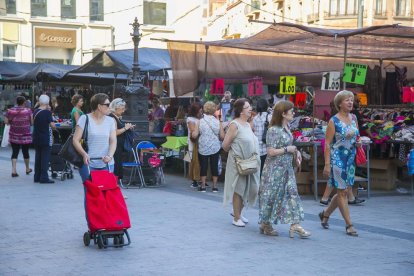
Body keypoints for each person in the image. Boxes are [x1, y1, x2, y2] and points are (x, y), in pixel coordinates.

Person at [258, 100, 310, 238]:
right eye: (291, 111)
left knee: (292, 194)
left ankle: (295, 225)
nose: (294, 113)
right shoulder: (273, 130)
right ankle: (265, 223)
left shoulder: (287, 127)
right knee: (271, 196)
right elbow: (270, 151)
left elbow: (289, 146)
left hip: (286, 168)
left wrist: (296, 152)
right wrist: (288, 149)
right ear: (283, 113)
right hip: (274, 171)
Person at [319, 90, 360, 237]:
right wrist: (327, 164)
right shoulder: (333, 121)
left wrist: (358, 142)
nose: (350, 102)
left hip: (350, 158)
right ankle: (349, 225)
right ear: (339, 104)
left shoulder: (354, 117)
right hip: (338, 158)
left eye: (351, 99)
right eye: (347, 100)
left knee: (343, 189)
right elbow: (328, 144)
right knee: (342, 191)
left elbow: (357, 135)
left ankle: (325, 214)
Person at [222, 98, 260, 227]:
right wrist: (236, 152)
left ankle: (237, 211)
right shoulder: (234, 124)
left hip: (251, 162)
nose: (250, 109)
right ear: (241, 111)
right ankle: (236, 217)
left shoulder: (248, 124)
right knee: (239, 189)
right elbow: (225, 145)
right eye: (248, 107)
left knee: (253, 189)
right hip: (238, 162)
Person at [73, 93, 117, 183]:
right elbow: (75, 140)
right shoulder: (84, 118)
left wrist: (110, 156)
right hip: (88, 162)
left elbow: (113, 141)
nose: (110, 107)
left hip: (107, 163)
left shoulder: (111, 121)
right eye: (107, 105)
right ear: (99, 106)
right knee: (90, 193)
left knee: (105, 192)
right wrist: (84, 154)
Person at [193, 101, 224, 192]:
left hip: (203, 147)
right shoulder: (218, 122)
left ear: (204, 109)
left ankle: (203, 186)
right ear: (214, 109)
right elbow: (222, 136)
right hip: (215, 147)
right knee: (214, 165)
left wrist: (193, 133)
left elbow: (194, 135)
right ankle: (214, 186)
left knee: (203, 166)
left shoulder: (200, 121)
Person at [4, 96, 33, 177]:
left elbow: (6, 121)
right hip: (25, 135)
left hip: (14, 135)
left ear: (17, 102)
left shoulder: (10, 110)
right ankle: (27, 169)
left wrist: (13, 123)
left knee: (15, 152)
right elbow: (32, 122)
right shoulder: (28, 111)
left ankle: (13, 171)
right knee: (25, 152)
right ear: (24, 102)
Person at [108, 98, 135, 183]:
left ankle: (115, 189)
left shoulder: (117, 117)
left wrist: (127, 128)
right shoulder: (112, 118)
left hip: (118, 146)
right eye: (122, 108)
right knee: (115, 167)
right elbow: (114, 132)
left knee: (117, 167)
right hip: (114, 146)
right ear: (116, 107)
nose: (123, 111)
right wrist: (125, 128)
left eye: (124, 108)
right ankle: (113, 188)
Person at [32, 95, 55, 183]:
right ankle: (44, 177)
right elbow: (52, 125)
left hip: (36, 137)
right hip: (45, 137)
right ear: (48, 102)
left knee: (38, 157)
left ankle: (36, 176)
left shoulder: (35, 111)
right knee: (45, 157)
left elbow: (32, 122)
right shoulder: (47, 113)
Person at [252, 98, 271, 175]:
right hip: (267, 148)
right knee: (266, 171)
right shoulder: (269, 116)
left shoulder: (254, 118)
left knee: (258, 171)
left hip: (257, 147)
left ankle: (258, 186)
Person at [187, 102, 203, 188]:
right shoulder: (190, 119)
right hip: (193, 142)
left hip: (200, 142)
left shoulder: (201, 118)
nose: (201, 112)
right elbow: (193, 131)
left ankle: (201, 179)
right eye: (199, 111)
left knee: (200, 160)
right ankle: (194, 180)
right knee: (194, 160)